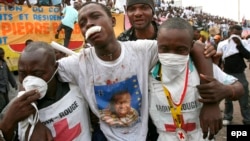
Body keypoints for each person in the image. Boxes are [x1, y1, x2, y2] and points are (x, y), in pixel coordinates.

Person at [52, 2, 222, 141]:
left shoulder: (142, 50)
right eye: (82, 23)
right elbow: (39, 73)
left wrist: (210, 100)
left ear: (112, 21)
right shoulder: (76, 63)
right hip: (104, 136)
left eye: (95, 17)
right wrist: (31, 119)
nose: (89, 23)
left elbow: (194, 47)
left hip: (149, 131)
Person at [117, 0, 219, 140]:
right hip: (145, 113)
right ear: (126, 11)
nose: (138, 13)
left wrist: (210, 102)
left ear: (153, 10)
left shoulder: (168, 32)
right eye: (132, 9)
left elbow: (197, 48)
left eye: (144, 8)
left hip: (176, 111)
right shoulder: (123, 41)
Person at [149, 17, 244, 141]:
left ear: (191, 46)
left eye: (180, 49)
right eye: (164, 48)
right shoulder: (149, 70)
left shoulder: (200, 68)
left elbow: (239, 88)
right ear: (157, 44)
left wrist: (225, 91)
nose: (172, 54)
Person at [16, 41, 91, 140]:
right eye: (22, 74)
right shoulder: (21, 108)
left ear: (55, 68)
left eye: (37, 73)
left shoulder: (74, 84)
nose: (30, 81)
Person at [217, 25, 250, 125]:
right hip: (227, 73)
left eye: (239, 34)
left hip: (240, 74)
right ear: (230, 32)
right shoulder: (222, 44)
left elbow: (248, 56)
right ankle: (227, 117)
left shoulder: (244, 42)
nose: (237, 36)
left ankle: (247, 118)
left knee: (244, 97)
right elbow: (219, 58)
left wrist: (239, 45)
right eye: (235, 33)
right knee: (228, 97)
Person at [0, 47, 17, 113]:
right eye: (1, 54)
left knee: (7, 103)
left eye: (3, 53)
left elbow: (9, 74)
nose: (3, 55)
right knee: (2, 103)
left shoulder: (4, 63)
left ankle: (5, 117)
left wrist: (14, 84)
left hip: (5, 87)